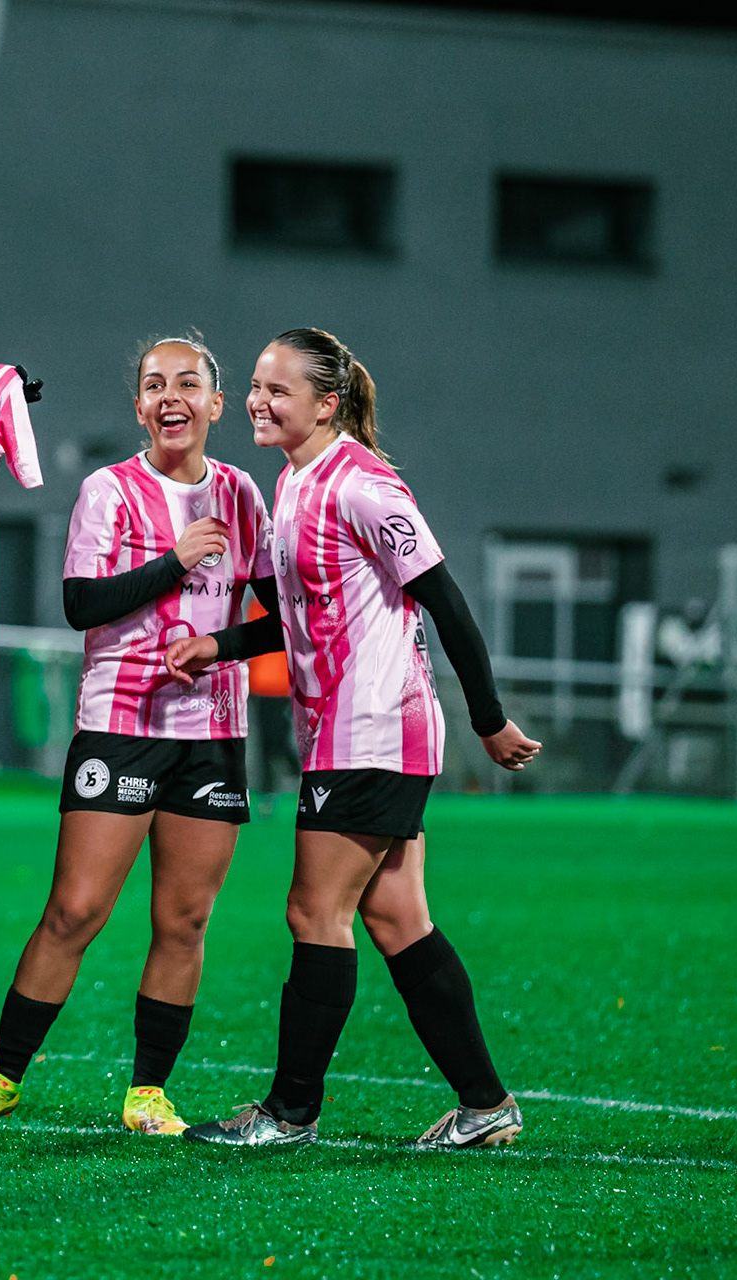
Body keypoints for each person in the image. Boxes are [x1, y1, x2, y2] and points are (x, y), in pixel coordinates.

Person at [167, 327, 540, 1151]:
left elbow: (447, 604)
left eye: (277, 390)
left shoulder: (366, 487)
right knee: (399, 920)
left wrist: (490, 721)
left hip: (373, 730)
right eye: (257, 387)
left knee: (314, 911)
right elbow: (303, 618)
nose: (258, 402)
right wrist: (219, 646)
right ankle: (485, 1105)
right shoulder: (296, 480)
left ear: (326, 402)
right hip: (344, 731)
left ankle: (289, 1111)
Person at [0, 335, 269, 1137]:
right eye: (155, 384)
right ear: (141, 406)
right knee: (75, 911)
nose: (171, 397)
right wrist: (175, 561)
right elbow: (82, 604)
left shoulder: (244, 495)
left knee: (184, 922)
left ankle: (148, 1092)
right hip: (121, 727)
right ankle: (1, 1080)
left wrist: (219, 648)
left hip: (213, 732)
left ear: (217, 405)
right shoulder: (109, 491)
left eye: (189, 383)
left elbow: (282, 618)